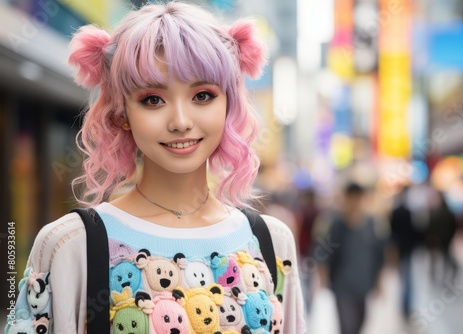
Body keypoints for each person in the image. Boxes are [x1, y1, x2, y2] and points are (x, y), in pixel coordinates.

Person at [5, 2, 305, 333]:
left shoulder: (271, 241)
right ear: (121, 113)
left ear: (228, 103)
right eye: (153, 99)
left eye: (203, 95)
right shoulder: (70, 245)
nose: (180, 121)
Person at [319, 182, 385, 334]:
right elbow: (324, 252)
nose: (354, 202)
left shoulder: (371, 224)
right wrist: (323, 277)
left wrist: (379, 282)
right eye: (351, 198)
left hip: (364, 285)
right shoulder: (336, 224)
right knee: (347, 326)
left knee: (361, 322)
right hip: (342, 285)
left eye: (358, 197)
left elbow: (378, 255)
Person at [389, 185, 420, 319]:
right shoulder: (408, 212)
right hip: (406, 249)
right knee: (407, 279)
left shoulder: (395, 212)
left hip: (399, 249)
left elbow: (391, 233)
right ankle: (405, 306)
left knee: (403, 278)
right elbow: (414, 231)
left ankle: (404, 305)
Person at [424, 189, 458, 284]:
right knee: (445, 257)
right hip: (445, 239)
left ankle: (439, 276)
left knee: (440, 258)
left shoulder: (437, 212)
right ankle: (447, 275)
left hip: (439, 240)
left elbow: (432, 227)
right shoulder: (447, 212)